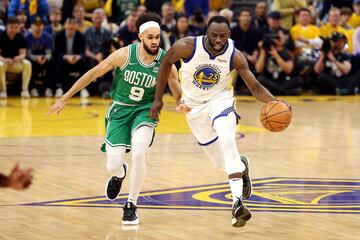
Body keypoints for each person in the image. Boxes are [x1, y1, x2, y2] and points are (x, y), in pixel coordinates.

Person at [150, 16, 284, 227]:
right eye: (214, 35)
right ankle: (241, 166)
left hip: (220, 101)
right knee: (220, 162)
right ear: (207, 33)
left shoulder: (235, 56)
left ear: (229, 35)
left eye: (223, 36)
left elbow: (255, 87)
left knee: (228, 139)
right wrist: (158, 99)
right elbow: (166, 63)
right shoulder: (186, 46)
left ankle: (237, 203)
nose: (218, 40)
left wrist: (277, 102)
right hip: (193, 108)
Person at [47, 13, 181, 225]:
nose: (155, 41)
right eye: (150, 37)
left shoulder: (165, 61)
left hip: (145, 111)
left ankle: (131, 205)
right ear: (140, 37)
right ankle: (120, 174)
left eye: (157, 37)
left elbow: (176, 87)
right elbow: (93, 73)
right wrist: (64, 97)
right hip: (120, 111)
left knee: (138, 153)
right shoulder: (124, 55)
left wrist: (181, 102)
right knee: (112, 165)